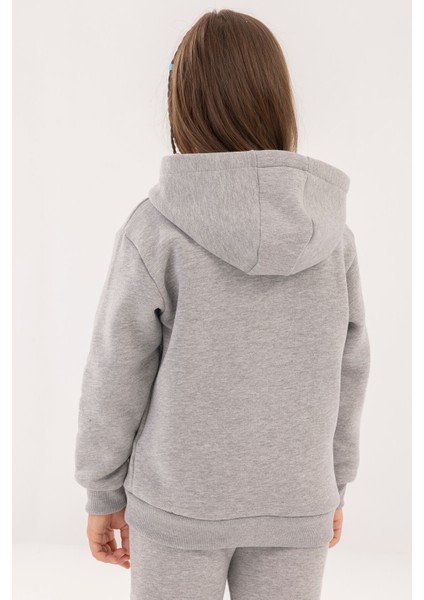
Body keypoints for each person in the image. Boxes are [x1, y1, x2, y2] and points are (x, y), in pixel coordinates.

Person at [74, 8, 371, 600]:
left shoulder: (156, 229)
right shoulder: (332, 236)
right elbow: (350, 369)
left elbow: (116, 370)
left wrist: (102, 491)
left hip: (178, 505)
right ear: (277, 98)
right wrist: (333, 484)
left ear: (183, 105)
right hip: (296, 501)